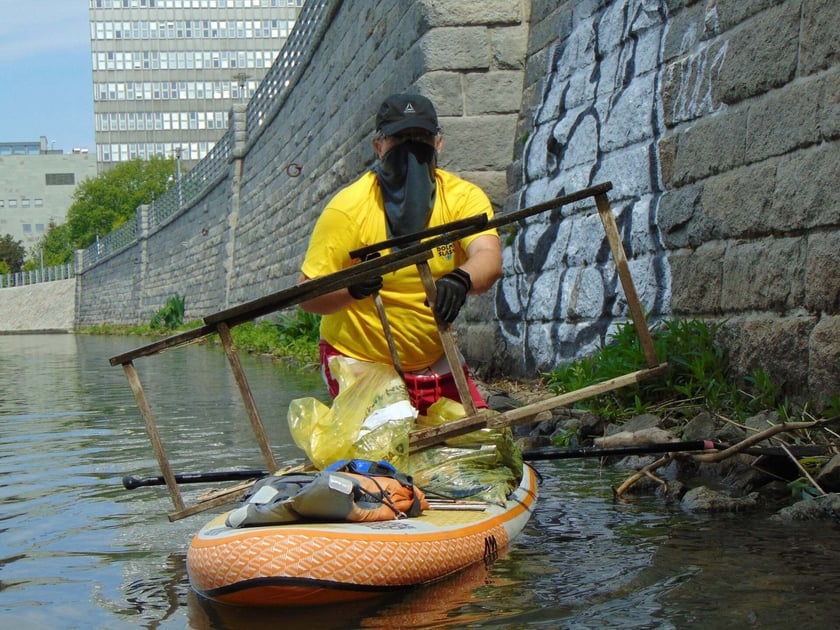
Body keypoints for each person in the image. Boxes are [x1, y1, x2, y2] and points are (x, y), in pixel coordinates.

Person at [297, 93, 502, 415]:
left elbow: (487, 255)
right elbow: (308, 294)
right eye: (400, 139)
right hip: (360, 357)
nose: (411, 147)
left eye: (420, 137)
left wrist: (462, 278)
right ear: (379, 146)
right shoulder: (348, 209)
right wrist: (350, 288)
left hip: (435, 356)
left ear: (438, 144)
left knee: (477, 443)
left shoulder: (463, 199)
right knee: (385, 446)